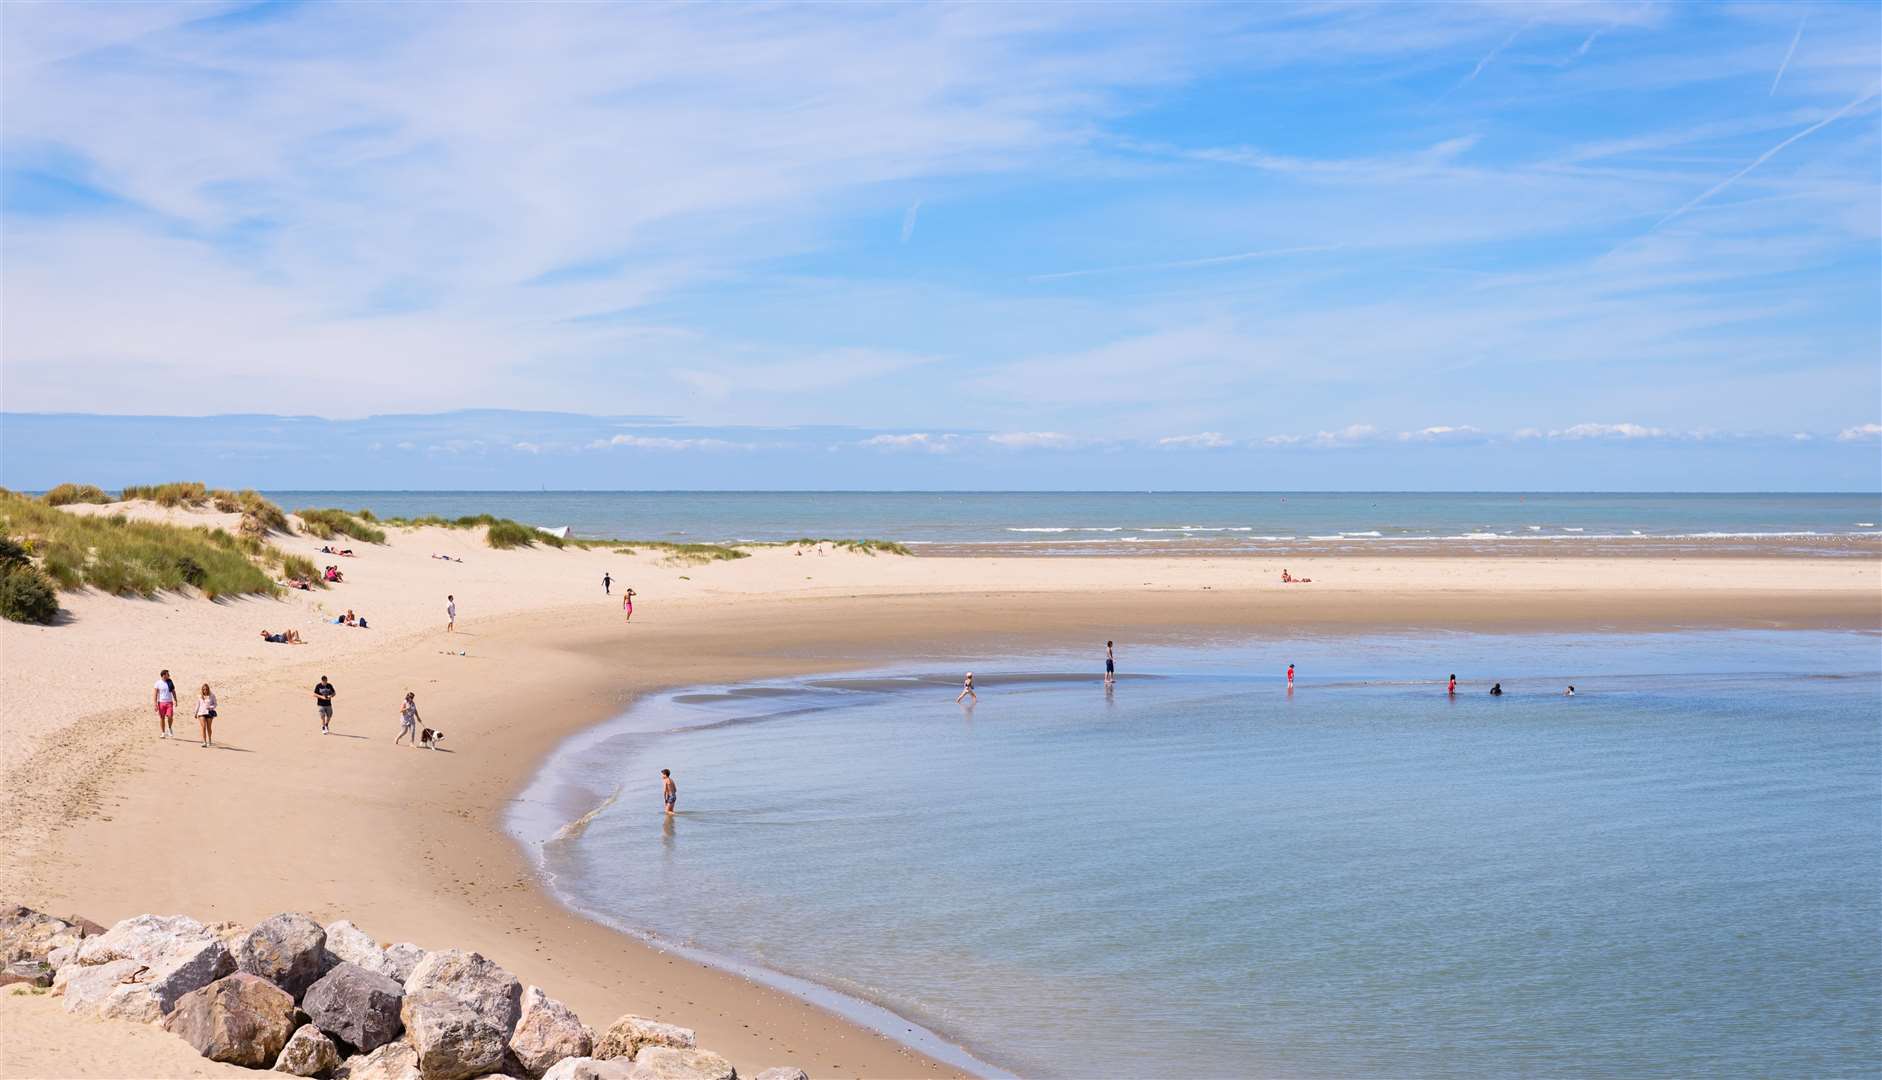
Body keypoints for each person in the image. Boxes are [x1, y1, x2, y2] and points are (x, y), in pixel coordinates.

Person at [154, 669, 177, 739]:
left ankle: (169, 728)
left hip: (169, 702)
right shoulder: (158, 683)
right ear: (164, 675)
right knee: (162, 718)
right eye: (167, 674)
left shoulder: (170, 682)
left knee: (170, 716)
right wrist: (155, 704)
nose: (169, 675)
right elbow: (155, 694)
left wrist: (176, 700)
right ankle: (163, 732)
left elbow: (173, 691)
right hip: (161, 702)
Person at [195, 683, 217, 747]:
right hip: (201, 713)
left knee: (209, 727)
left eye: (206, 689)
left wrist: (211, 707)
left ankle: (209, 740)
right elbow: (197, 705)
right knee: (203, 727)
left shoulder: (212, 695)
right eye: (204, 689)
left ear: (208, 689)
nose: (205, 690)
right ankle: (204, 742)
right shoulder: (199, 696)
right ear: (202, 690)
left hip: (209, 713)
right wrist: (195, 713)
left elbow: (215, 704)